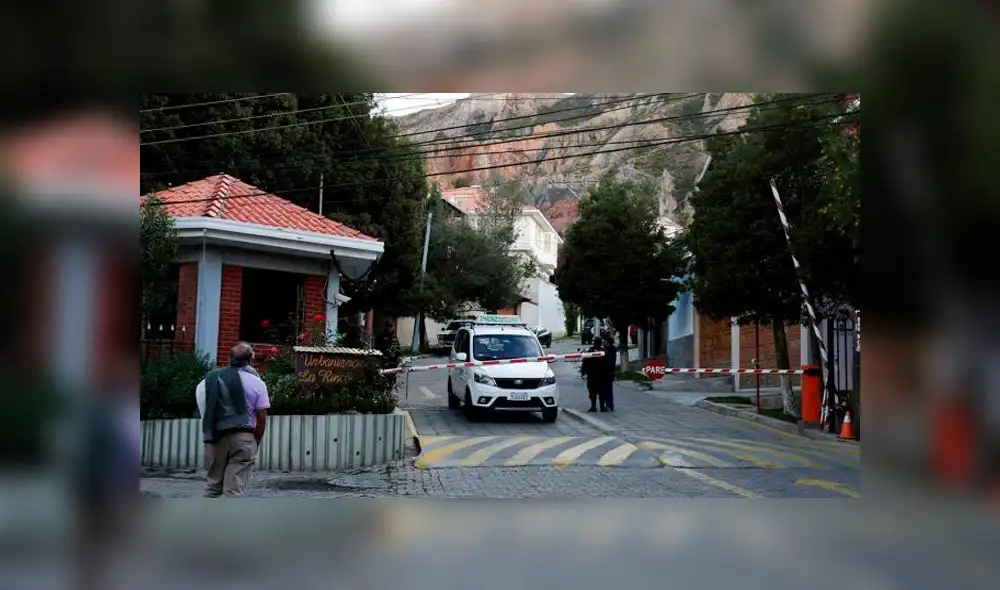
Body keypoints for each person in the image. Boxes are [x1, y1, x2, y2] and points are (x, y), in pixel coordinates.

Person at [195, 342, 270, 497]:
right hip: (244, 437)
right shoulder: (258, 384)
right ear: (250, 360)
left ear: (229, 358)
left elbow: (204, 409)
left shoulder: (208, 381)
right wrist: (255, 440)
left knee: (212, 487)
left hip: (215, 436)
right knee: (233, 490)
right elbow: (261, 418)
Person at [581, 337, 608, 412]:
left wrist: (583, 372)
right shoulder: (603, 351)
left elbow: (585, 362)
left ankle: (595, 407)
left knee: (594, 392)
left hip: (594, 376)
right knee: (599, 392)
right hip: (599, 376)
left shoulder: (591, 351)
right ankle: (600, 407)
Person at [602, 332, 617, 411]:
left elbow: (609, 361)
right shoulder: (608, 350)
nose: (603, 343)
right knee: (606, 389)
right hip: (606, 372)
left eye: (605, 342)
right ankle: (607, 404)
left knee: (607, 389)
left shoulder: (610, 351)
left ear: (609, 343)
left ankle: (609, 404)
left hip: (608, 372)